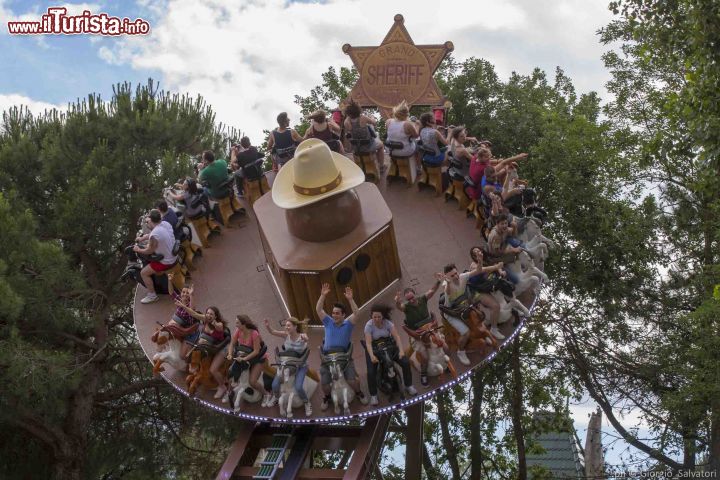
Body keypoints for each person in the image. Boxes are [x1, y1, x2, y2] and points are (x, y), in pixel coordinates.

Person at [316, 283, 369, 410]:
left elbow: (357, 313)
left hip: (344, 356)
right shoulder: (328, 321)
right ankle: (327, 397)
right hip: (328, 357)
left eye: (337, 313)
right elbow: (318, 310)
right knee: (325, 382)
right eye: (333, 313)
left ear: (343, 315)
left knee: (352, 380)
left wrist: (350, 299)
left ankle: (359, 393)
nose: (334, 315)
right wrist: (322, 296)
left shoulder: (348, 324)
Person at [442, 260, 505, 362]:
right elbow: (447, 292)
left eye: (456, 273)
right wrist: (449, 283)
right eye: (452, 276)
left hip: (464, 305)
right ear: (448, 277)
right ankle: (460, 351)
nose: (456, 276)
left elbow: (480, 270)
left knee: (478, 317)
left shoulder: (463, 276)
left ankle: (485, 333)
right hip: (452, 311)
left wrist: (489, 264)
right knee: (465, 332)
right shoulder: (446, 284)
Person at [394, 273, 444, 386]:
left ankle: (445, 363)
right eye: (408, 299)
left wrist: (438, 281)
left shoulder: (422, 299)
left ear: (414, 295)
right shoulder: (406, 307)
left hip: (431, 329)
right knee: (425, 356)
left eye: (412, 298)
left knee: (443, 345)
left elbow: (432, 291)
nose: (411, 300)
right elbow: (399, 306)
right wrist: (397, 301)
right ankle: (424, 374)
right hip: (417, 334)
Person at [363, 304, 417, 405]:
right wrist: (372, 356)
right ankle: (373, 395)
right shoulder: (369, 326)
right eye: (374, 317)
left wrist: (401, 351)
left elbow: (397, 337)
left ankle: (409, 385)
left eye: (379, 317)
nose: (377, 319)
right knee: (371, 372)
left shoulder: (388, 323)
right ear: (371, 316)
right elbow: (368, 343)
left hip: (389, 345)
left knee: (405, 362)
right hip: (374, 347)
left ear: (382, 316)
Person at [175, 304, 230, 398]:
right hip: (206, 348)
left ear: (216, 316)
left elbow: (218, 326)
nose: (208, 315)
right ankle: (195, 367)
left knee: (213, 370)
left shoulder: (219, 324)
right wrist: (183, 306)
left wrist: (214, 323)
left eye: (211, 314)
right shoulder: (205, 319)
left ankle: (222, 387)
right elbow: (193, 313)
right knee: (191, 352)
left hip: (219, 348)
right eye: (207, 313)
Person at [264, 317, 313, 416]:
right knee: (274, 385)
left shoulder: (302, 336)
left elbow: (306, 338)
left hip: (300, 365)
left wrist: (305, 339)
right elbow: (273, 332)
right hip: (286, 365)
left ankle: (307, 402)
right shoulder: (286, 335)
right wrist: (268, 327)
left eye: (289, 325)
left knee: (298, 387)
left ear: (295, 327)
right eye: (286, 325)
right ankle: (277, 398)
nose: (286, 327)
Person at [133, 209, 177, 304]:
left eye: (148, 219)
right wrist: (142, 238)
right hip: (173, 254)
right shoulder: (164, 223)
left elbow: (150, 250)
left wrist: (138, 250)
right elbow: (153, 234)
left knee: (143, 273)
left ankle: (152, 295)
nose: (147, 220)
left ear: (151, 220)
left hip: (166, 261)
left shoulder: (155, 234)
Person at [226, 315, 271, 406]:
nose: (236, 325)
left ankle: (267, 394)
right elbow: (232, 343)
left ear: (244, 324)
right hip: (243, 357)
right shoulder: (238, 331)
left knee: (252, 381)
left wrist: (244, 359)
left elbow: (256, 351)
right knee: (230, 372)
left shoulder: (254, 333)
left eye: (237, 323)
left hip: (257, 358)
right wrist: (230, 354)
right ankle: (229, 392)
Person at [343, 100, 384, 170]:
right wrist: (372, 117)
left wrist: (348, 116)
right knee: (381, 145)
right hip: (368, 146)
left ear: (348, 113)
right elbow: (374, 123)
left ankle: (359, 166)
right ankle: (381, 166)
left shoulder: (346, 122)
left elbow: (349, 128)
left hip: (356, 147)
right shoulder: (363, 118)